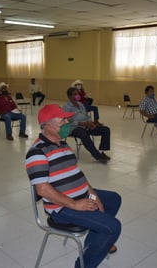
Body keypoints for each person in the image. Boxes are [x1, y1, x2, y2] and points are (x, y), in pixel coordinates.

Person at [25, 104, 121, 268]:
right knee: (113, 227)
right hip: (62, 208)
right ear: (48, 125)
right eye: (63, 120)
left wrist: (92, 196)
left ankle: (94, 244)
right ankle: (83, 265)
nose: (68, 123)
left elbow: (78, 176)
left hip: (80, 197)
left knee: (113, 199)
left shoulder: (63, 144)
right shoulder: (37, 152)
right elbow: (42, 189)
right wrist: (76, 204)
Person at [63, 87, 111, 164]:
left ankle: (101, 151)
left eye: (77, 94)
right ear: (69, 96)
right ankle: (98, 156)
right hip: (74, 128)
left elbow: (87, 116)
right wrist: (83, 123)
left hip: (86, 126)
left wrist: (90, 123)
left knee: (105, 130)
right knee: (84, 134)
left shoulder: (80, 105)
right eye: (74, 94)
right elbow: (68, 121)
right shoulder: (66, 107)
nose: (77, 95)